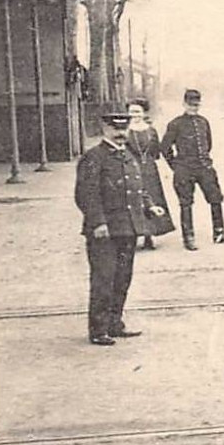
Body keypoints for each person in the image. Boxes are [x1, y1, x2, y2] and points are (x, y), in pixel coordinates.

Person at [75, 104, 163, 344]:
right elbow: (86, 194)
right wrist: (98, 223)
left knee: (123, 277)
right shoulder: (94, 157)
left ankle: (115, 323)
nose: (120, 133)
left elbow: (138, 187)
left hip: (128, 227)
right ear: (104, 127)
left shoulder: (127, 155)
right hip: (104, 231)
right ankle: (98, 329)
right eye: (115, 128)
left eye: (123, 128)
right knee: (104, 278)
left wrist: (149, 205)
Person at [161, 88, 224, 250]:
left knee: (216, 198)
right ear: (184, 104)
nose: (193, 108)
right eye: (190, 105)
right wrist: (176, 166)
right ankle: (188, 237)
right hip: (184, 169)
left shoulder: (203, 122)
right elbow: (165, 148)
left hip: (204, 167)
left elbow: (208, 144)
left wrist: (205, 161)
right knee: (186, 203)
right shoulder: (175, 124)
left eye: (196, 105)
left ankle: (219, 232)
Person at [125, 99, 173, 250]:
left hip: (150, 170)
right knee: (132, 200)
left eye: (138, 111)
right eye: (132, 112)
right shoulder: (125, 130)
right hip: (131, 169)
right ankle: (132, 236)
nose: (135, 115)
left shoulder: (151, 130)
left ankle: (149, 235)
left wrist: (148, 161)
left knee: (152, 199)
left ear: (144, 112)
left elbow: (155, 152)